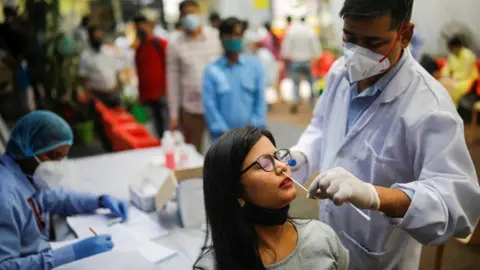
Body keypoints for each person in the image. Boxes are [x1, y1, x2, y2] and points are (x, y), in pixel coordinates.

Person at [289, 0, 480, 269]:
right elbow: (321, 127)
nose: (357, 53)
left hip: (380, 258)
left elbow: (456, 207)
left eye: (373, 43)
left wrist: (374, 196)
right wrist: (300, 156)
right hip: (329, 241)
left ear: (405, 35)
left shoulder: (429, 108)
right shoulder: (338, 73)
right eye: (350, 38)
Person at [194, 126, 349, 270]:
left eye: (277, 157)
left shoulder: (322, 237)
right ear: (236, 191)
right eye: (265, 163)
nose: (282, 166)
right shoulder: (212, 266)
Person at [0, 111, 128, 269]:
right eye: (53, 156)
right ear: (27, 147)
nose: (57, 165)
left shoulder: (26, 174)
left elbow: (55, 198)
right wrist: (69, 254)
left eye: (62, 157)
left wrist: (99, 200)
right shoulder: (5, 198)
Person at [167, 0, 222, 152]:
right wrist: (173, 115)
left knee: (222, 150)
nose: (189, 17)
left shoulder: (215, 37)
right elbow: (172, 81)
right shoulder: (175, 44)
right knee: (193, 152)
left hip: (218, 106)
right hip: (191, 108)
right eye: (185, 14)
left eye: (192, 12)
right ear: (180, 17)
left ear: (199, 13)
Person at [203, 17, 267, 141]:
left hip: (252, 135)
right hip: (222, 138)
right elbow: (209, 104)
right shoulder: (212, 70)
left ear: (242, 37)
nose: (233, 39)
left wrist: (253, 128)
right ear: (221, 38)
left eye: (237, 35)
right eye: (228, 35)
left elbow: (260, 100)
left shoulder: (254, 66)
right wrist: (223, 131)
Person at [78, 25, 123, 152]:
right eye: (95, 35)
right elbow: (83, 77)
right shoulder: (85, 56)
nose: (98, 37)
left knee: (118, 123)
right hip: (98, 96)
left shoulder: (109, 51)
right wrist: (88, 94)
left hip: (113, 93)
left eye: (99, 34)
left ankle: (120, 146)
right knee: (102, 126)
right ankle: (109, 150)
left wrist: (118, 86)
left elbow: (117, 70)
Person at [134, 15, 169, 138]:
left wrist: (167, 90)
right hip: (149, 97)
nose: (140, 29)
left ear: (150, 26)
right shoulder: (139, 49)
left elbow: (170, 69)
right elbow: (139, 73)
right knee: (156, 128)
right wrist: (141, 95)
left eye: (143, 25)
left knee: (167, 127)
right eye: (137, 27)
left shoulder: (160, 44)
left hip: (163, 94)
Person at [281, 16, 322, 113]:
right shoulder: (310, 31)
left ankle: (295, 100)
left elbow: (286, 47)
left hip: (295, 61)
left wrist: (286, 56)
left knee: (295, 83)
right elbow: (316, 48)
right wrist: (316, 56)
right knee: (311, 82)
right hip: (308, 61)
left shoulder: (291, 31)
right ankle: (312, 102)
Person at [441, 36, 479, 107]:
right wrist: (445, 75)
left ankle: (453, 108)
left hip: (469, 79)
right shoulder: (452, 55)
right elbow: (447, 68)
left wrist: (452, 78)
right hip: (455, 79)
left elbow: (465, 73)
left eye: (452, 48)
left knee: (453, 88)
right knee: (441, 83)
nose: (451, 50)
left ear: (458, 46)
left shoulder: (467, 55)